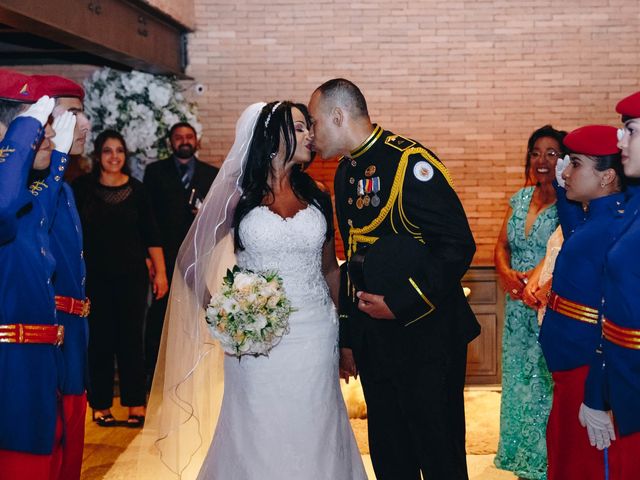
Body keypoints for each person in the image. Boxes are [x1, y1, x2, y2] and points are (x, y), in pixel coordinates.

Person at [309, 78, 480, 480]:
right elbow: (353, 260)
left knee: (440, 454)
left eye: (315, 123)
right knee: (390, 455)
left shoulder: (409, 164)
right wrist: (349, 339)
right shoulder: (346, 173)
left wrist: (400, 302)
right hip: (375, 342)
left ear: (338, 116)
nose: (311, 135)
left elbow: (457, 246)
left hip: (427, 337)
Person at [532, 125, 626, 479]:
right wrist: (562, 183)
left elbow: (613, 316)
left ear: (607, 177)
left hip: (589, 373)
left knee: (589, 467)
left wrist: (596, 392)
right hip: (570, 370)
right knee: (565, 459)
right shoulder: (598, 221)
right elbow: (577, 232)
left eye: (576, 165)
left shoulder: (618, 229)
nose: (565, 171)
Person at [0, 73, 75, 479]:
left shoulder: (27, 193)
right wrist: (24, 131)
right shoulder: (6, 199)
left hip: (41, 364)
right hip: (9, 370)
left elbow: (42, 194)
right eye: (38, 127)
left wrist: (57, 155)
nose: (46, 136)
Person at [72, 130, 168, 428]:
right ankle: (100, 405)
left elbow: (152, 235)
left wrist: (161, 273)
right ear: (97, 155)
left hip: (131, 278)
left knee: (131, 341)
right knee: (99, 341)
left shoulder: (138, 191)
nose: (114, 157)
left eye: (119, 151)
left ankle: (135, 404)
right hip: (94, 278)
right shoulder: (81, 188)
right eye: (107, 151)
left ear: (125, 156)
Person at [493, 125, 567, 480]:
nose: (542, 160)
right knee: (518, 389)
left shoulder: (569, 206)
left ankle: (547, 466)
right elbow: (500, 245)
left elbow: (565, 252)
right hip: (515, 312)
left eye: (551, 153)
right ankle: (522, 466)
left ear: (565, 161)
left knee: (544, 389)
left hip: (547, 308)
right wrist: (507, 273)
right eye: (536, 152)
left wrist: (537, 283)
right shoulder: (519, 199)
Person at [573, 91, 640, 478]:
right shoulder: (632, 208)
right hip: (627, 390)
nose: (620, 142)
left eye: (630, 130)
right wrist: (599, 388)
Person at [30, 75, 92, 480]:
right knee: (47, 440)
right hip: (48, 329)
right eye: (70, 115)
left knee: (73, 435)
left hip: (75, 328)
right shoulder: (34, 187)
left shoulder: (66, 188)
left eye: (81, 113)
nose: (83, 124)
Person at [143, 122, 218, 383]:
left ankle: (197, 377)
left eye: (189, 137)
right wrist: (152, 261)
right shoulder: (154, 172)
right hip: (166, 256)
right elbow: (147, 218)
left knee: (198, 317)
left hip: (201, 259)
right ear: (170, 142)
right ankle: (158, 378)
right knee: (161, 319)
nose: (184, 141)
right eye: (178, 137)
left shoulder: (212, 174)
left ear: (197, 141)